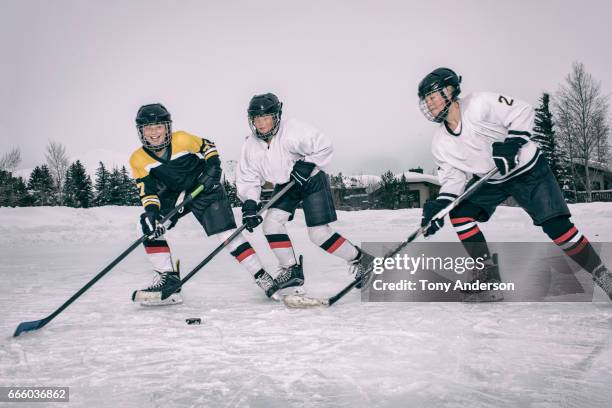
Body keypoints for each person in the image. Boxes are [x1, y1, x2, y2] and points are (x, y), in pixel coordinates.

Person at [417, 67, 612, 302]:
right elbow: (453, 179)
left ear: (450, 91)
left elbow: (522, 110)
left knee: (557, 228)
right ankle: (488, 276)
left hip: (529, 170)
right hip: (493, 179)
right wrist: (439, 207)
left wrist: (512, 143)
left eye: (432, 96)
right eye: (426, 99)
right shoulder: (440, 143)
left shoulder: (479, 103)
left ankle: (602, 275)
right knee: (459, 213)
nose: (429, 104)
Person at [129, 103, 278, 305]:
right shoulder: (138, 159)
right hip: (175, 193)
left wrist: (213, 169)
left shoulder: (181, 139)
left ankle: (261, 276)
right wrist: (152, 211)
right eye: (148, 128)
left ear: (167, 127)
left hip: (204, 186)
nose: (154, 133)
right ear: (141, 131)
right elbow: (147, 191)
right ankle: (168, 279)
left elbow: (208, 147)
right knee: (146, 227)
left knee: (228, 235)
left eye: (159, 127)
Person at [236, 93, 373, 294]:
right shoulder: (250, 145)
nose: (261, 124)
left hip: (311, 180)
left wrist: (307, 164)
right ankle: (291, 270)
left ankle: (362, 259)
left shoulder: (293, 130)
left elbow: (324, 146)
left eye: (266, 118)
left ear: (276, 117)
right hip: (285, 184)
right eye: (257, 119)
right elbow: (248, 178)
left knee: (318, 234)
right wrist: (249, 203)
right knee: (271, 224)